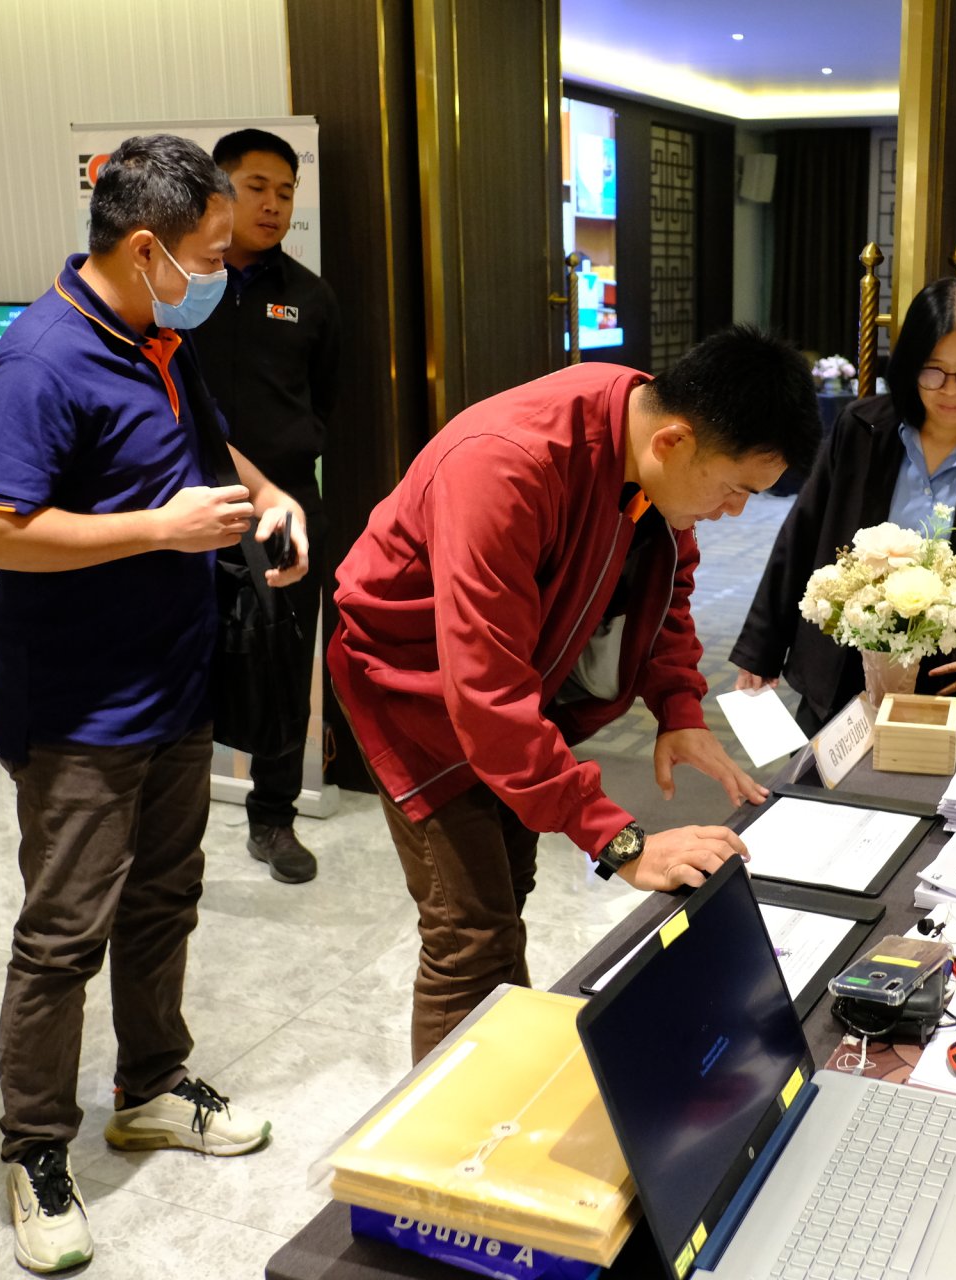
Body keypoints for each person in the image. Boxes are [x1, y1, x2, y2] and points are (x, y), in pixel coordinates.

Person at [0, 134, 310, 1275]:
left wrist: (270, 495)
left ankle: (150, 1085)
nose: (221, 273)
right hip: (80, 711)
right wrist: (159, 529)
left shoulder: (159, 339)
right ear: (147, 247)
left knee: (164, 900)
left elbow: (211, 446)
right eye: (209, 253)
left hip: (175, 684)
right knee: (63, 935)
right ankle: (34, 1150)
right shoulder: (40, 360)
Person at [329, 327, 822, 1058]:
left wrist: (677, 707)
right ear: (675, 442)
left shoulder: (647, 438)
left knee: (506, 896)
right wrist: (621, 844)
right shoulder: (506, 466)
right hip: (411, 689)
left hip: (520, 682)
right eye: (734, 489)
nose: (734, 512)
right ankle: (455, 1127)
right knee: (470, 932)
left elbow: (667, 585)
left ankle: (512, 1081)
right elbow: (485, 692)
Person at [730, 276, 956, 733]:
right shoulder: (861, 430)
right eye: (933, 370)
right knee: (822, 775)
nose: (951, 389)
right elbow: (803, 532)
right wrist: (761, 647)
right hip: (844, 667)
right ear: (910, 365)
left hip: (946, 681)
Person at [191, 127, 341, 885]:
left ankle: (273, 819)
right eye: (257, 187)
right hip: (187, 503)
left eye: (286, 191)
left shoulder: (310, 296)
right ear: (220, 189)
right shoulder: (185, 287)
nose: (274, 204)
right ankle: (173, 824)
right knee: (187, 660)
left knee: (284, 665)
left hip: (285, 508)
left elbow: (327, 401)